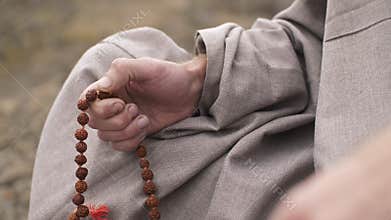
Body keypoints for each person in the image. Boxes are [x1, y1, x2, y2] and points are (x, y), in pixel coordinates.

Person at [28, 0, 391, 219]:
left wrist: (378, 175)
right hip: (326, 130)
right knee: (104, 69)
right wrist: (201, 79)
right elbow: (319, 35)